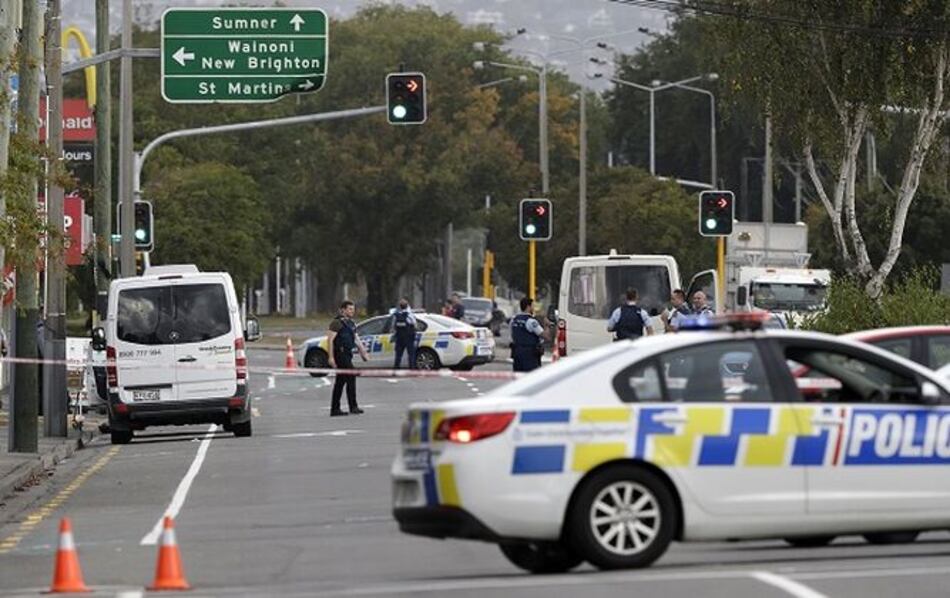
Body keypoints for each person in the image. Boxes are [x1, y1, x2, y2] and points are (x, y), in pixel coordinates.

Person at [326, 300, 369, 417]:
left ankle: (335, 409)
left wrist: (363, 353)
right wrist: (331, 357)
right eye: (349, 309)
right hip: (340, 354)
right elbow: (330, 340)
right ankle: (353, 406)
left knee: (340, 382)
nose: (352, 311)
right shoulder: (336, 323)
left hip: (347, 354)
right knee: (351, 377)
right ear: (343, 310)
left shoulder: (351, 323)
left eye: (353, 309)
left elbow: (356, 339)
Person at [510, 297, 545, 372]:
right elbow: (545, 335)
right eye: (532, 306)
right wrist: (548, 325)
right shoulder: (531, 321)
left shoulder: (514, 319)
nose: (533, 308)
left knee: (518, 377)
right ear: (528, 307)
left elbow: (512, 335)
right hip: (530, 355)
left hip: (517, 352)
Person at [391, 298, 417, 369]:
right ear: (407, 306)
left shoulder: (396, 315)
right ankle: (412, 369)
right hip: (409, 338)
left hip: (399, 338)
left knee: (398, 355)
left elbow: (393, 327)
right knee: (411, 355)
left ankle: (396, 369)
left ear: (399, 306)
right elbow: (415, 324)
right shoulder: (409, 315)